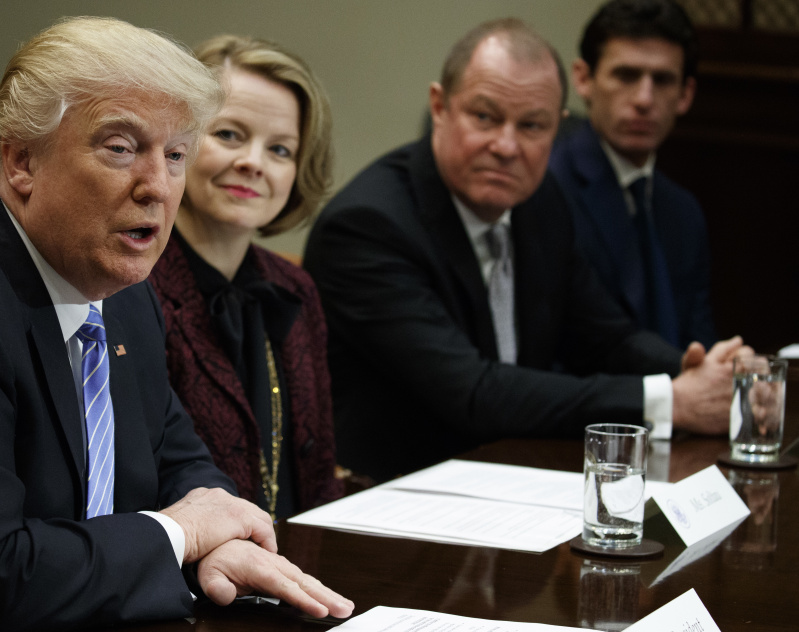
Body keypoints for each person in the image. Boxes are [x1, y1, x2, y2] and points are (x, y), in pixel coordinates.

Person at [0, 17, 352, 630]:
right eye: (121, 148)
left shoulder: (116, 286)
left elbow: (177, 459)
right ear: (21, 161)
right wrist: (181, 534)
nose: (157, 187)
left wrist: (218, 535)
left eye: (174, 155)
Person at [303, 18, 744, 482]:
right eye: (485, 117)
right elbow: (473, 393)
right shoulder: (368, 226)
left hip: (515, 480)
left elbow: (605, 335)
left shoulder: (540, 202)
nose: (507, 146)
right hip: (390, 499)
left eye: (532, 125)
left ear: (558, 127)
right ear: (439, 106)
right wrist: (670, 401)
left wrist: (696, 370)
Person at [149, 35, 341, 520]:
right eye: (230, 135)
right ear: (178, 143)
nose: (254, 162)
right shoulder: (130, 284)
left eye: (280, 149)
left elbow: (318, 476)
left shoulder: (293, 289)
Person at [549, 0, 716, 349]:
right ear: (584, 79)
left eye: (663, 80)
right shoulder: (548, 188)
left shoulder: (684, 212)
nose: (643, 98)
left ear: (685, 95)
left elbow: (697, 344)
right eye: (626, 76)